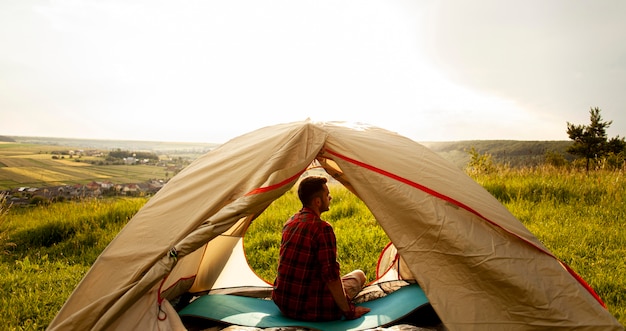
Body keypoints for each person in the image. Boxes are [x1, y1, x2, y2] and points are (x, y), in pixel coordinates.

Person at [272, 176, 371, 321]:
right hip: (310, 310)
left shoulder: (291, 221)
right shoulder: (322, 229)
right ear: (317, 202)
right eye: (327, 194)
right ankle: (340, 303)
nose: (330, 197)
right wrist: (349, 311)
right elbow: (331, 277)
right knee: (359, 275)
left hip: (283, 303)